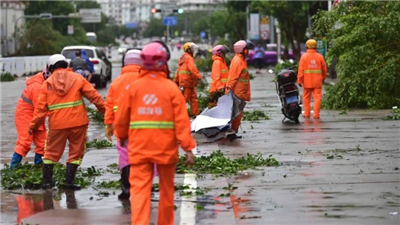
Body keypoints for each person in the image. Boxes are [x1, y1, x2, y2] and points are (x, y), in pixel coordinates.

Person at [114, 41, 196, 225]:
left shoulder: (133, 88)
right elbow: (182, 122)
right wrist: (188, 149)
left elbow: (121, 119)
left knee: (140, 192)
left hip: (139, 151)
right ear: (163, 62)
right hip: (165, 152)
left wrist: (122, 136)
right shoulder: (171, 89)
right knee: (167, 192)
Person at [29, 54, 105, 190]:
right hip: (78, 123)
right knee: (76, 153)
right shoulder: (77, 78)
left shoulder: (47, 83)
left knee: (50, 154)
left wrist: (33, 126)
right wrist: (105, 112)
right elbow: (94, 96)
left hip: (57, 125)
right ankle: (69, 183)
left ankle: (47, 183)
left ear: (51, 67)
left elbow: (40, 109)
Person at [104, 49, 142, 199]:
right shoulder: (145, 80)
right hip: (142, 125)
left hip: (122, 126)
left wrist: (109, 124)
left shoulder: (116, 82)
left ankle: (126, 188)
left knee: (125, 156)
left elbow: (109, 104)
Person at [9, 68, 52, 168]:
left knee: (43, 144)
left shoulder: (45, 83)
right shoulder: (37, 87)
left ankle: (39, 167)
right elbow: (41, 108)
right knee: (24, 142)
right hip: (25, 116)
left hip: (37, 116)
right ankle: (12, 169)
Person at [225, 40, 255, 135]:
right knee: (235, 114)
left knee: (237, 114)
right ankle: (231, 132)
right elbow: (233, 76)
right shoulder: (238, 61)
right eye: (247, 49)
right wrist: (229, 88)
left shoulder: (242, 60)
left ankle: (233, 132)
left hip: (241, 92)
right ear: (241, 49)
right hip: (237, 92)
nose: (248, 51)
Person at [297, 39, 327, 119]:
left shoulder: (304, 57)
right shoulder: (320, 57)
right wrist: (323, 78)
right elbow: (324, 69)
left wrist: (299, 80)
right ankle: (316, 115)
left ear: (307, 46)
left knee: (306, 98)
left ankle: (307, 114)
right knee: (317, 98)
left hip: (307, 82)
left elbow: (301, 70)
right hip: (317, 82)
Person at [173, 42, 202, 117]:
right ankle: (179, 114)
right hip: (188, 81)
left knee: (193, 98)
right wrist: (199, 77)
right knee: (186, 99)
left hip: (187, 82)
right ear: (188, 49)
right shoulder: (189, 58)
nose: (193, 50)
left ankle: (195, 114)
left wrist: (175, 81)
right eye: (192, 48)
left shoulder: (183, 58)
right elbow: (192, 68)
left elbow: (179, 71)